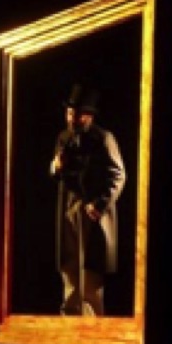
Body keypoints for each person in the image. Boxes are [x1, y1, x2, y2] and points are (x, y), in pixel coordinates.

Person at [49, 83, 127, 316]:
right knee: (70, 269)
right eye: (69, 113)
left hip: (91, 214)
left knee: (91, 275)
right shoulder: (64, 137)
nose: (72, 119)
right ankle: (69, 321)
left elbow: (118, 175)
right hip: (68, 210)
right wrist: (55, 167)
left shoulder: (103, 139)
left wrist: (100, 204)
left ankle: (92, 324)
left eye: (77, 115)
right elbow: (57, 171)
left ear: (88, 116)